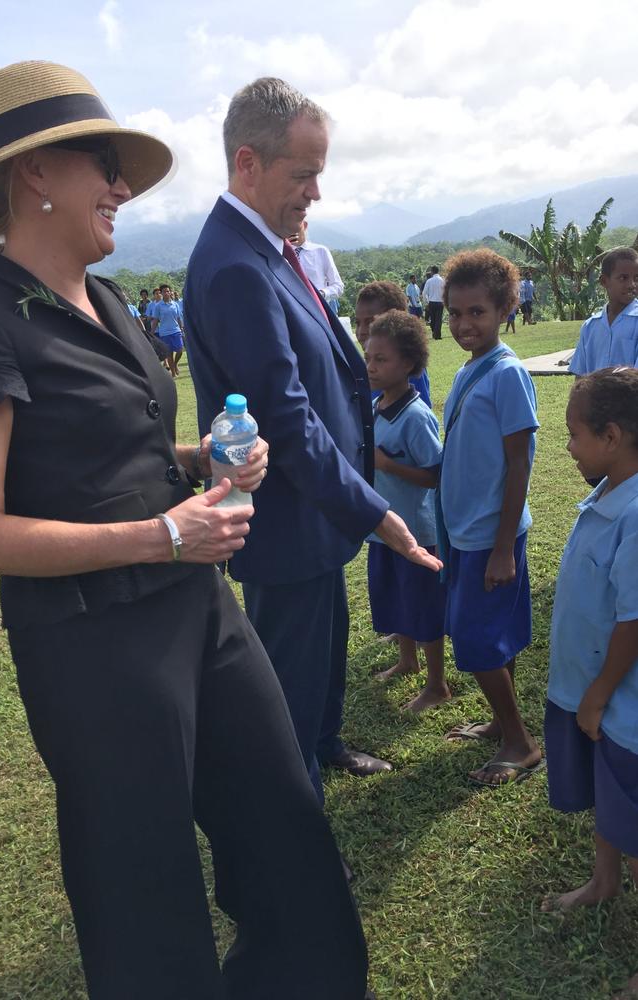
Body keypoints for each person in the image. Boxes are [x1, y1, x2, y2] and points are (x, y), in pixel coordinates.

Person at [0, 60, 371, 1000]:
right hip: (93, 644)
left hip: (195, 605)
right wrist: (163, 534)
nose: (122, 187)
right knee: (143, 885)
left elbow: (120, 453)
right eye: (103, 165)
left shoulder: (108, 301)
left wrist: (204, 460)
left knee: (283, 825)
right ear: (33, 173)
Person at [184, 76, 442, 805]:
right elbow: (286, 416)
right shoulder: (236, 265)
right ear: (247, 164)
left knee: (323, 661)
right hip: (291, 520)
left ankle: (325, 745)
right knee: (286, 694)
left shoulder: (267, 247)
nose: (315, 194)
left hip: (316, 517)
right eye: (303, 175)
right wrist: (375, 510)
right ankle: (297, 826)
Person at [440, 249, 542, 785]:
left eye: (477, 312)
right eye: (455, 313)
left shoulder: (508, 373)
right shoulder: (469, 367)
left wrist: (503, 546)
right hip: (465, 529)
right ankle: (505, 725)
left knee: (476, 639)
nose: (463, 324)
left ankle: (520, 742)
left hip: (489, 534)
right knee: (495, 633)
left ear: (505, 309)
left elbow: (519, 462)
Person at [542, 368, 638, 912]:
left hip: (620, 705)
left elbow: (634, 620)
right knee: (608, 799)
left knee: (634, 823)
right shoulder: (610, 491)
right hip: (590, 693)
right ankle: (603, 883)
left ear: (611, 438)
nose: (569, 447)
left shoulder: (636, 514)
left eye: (575, 435)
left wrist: (600, 692)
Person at [364, 310, 450, 713]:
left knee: (423, 605)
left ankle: (437, 684)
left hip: (417, 532)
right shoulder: (375, 405)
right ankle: (407, 660)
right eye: (369, 357)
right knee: (396, 598)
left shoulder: (416, 417)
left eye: (381, 359)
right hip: (383, 528)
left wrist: (389, 465)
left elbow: (435, 475)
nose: (372, 366)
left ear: (409, 365)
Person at [355, 280, 432, 407]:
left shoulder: (407, 366)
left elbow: (420, 409)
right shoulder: (368, 365)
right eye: (357, 323)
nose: (361, 332)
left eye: (370, 322)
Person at [568, 248, 638, 375]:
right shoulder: (590, 327)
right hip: (594, 395)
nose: (632, 284)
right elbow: (580, 377)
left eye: (636, 278)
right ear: (604, 281)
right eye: (623, 278)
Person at [289, 219, 344, 314]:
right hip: (293, 312)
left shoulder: (320, 251)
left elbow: (338, 286)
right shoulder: (280, 254)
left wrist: (322, 294)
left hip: (319, 310)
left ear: (305, 225)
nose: (292, 229)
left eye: (296, 224)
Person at [151, 282, 184, 377]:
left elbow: (178, 318)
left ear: (170, 292)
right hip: (164, 333)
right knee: (169, 354)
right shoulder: (158, 306)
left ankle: (175, 364)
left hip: (176, 330)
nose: (166, 293)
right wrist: (152, 333)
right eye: (164, 291)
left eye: (168, 291)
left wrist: (181, 328)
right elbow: (156, 320)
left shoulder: (175, 304)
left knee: (180, 350)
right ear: (161, 293)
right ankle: (173, 373)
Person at [422, 265, 445, 340]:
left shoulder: (429, 281)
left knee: (433, 319)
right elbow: (446, 292)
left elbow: (424, 293)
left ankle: (435, 333)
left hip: (431, 302)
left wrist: (426, 302)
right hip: (440, 302)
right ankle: (437, 335)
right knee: (438, 319)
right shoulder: (442, 280)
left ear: (432, 272)